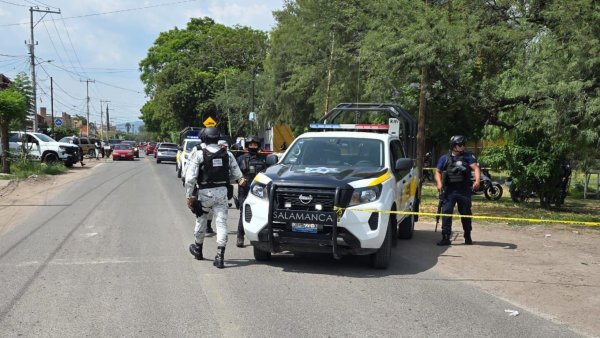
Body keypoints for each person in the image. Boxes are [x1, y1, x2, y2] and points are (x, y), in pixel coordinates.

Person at [185, 127, 245, 268]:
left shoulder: (199, 154)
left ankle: (198, 250)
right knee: (221, 223)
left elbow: (190, 178)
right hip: (222, 194)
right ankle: (220, 256)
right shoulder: (227, 154)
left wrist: (189, 196)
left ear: (204, 138)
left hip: (205, 193)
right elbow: (238, 175)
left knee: (201, 220)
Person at [434, 135, 480, 246]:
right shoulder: (444, 158)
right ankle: (445, 237)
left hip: (464, 190)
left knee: (466, 213)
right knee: (446, 213)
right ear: (454, 146)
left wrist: (477, 181)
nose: (463, 147)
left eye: (464, 144)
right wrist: (439, 184)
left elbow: (476, 168)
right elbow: (437, 172)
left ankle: (467, 235)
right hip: (449, 191)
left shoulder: (468, 157)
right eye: (460, 145)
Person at [235, 136, 267, 247]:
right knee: (244, 212)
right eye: (251, 145)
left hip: (260, 189)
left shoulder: (263, 158)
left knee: (261, 213)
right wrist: (239, 179)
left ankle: (258, 237)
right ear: (247, 145)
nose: (253, 147)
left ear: (258, 146)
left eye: (255, 145)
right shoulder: (240, 158)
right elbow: (234, 172)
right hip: (245, 188)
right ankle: (240, 236)